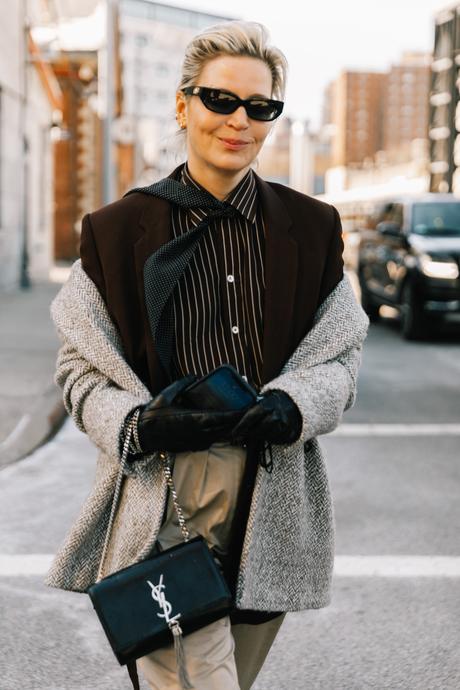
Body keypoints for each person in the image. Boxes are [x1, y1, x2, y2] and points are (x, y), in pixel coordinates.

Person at [45, 19, 369, 690]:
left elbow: (340, 355)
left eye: (261, 107)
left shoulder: (311, 227)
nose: (239, 120)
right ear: (183, 104)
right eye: (221, 100)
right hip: (163, 493)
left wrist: (294, 403)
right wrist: (136, 424)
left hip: (271, 493)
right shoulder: (116, 231)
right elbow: (79, 369)